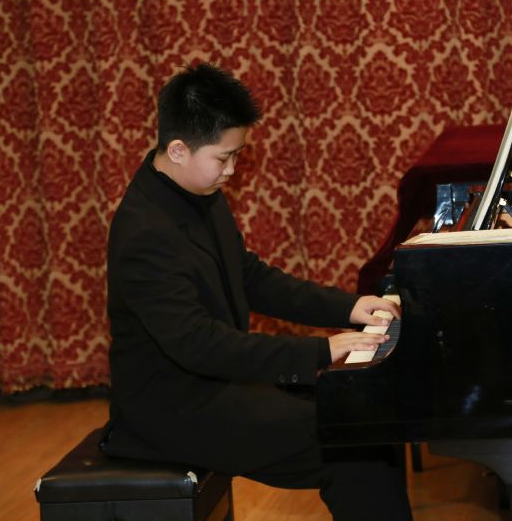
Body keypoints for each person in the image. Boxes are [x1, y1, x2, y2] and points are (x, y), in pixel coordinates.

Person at [101, 62, 412, 520]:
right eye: (224, 158)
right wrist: (321, 351)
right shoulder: (144, 232)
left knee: (367, 418)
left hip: (216, 383)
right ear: (179, 149)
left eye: (237, 156)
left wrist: (347, 307)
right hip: (172, 409)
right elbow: (199, 344)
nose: (232, 170)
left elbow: (250, 278)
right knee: (352, 440)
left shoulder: (198, 193)